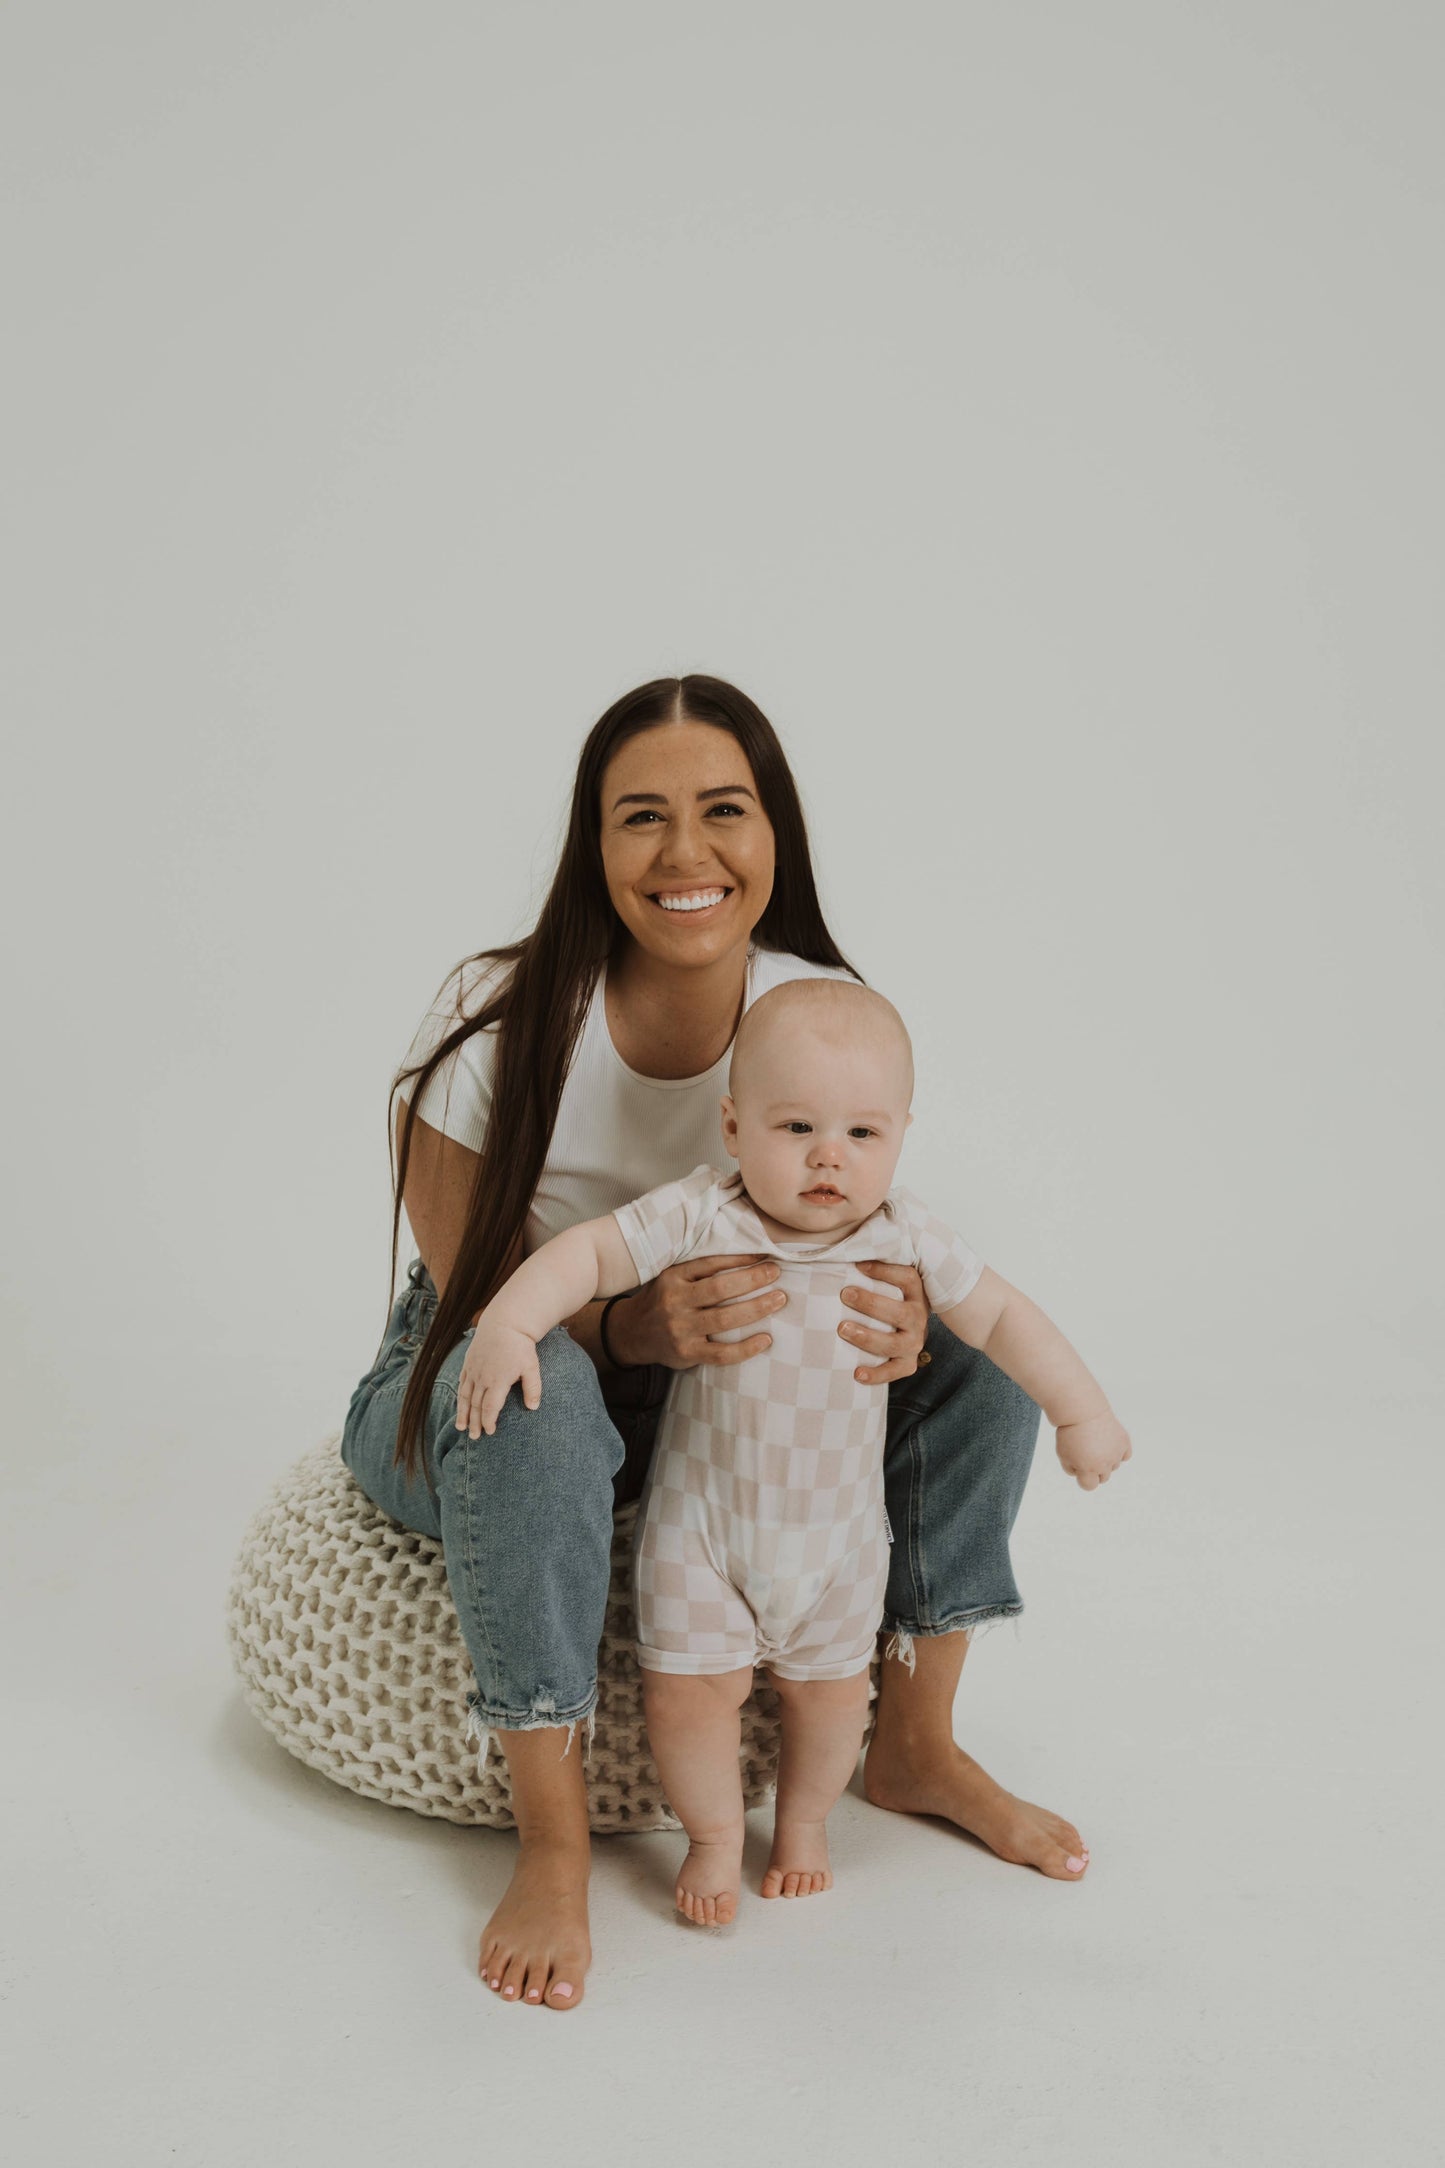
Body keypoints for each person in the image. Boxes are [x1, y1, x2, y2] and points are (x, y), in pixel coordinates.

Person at [340, 672, 1103, 2015]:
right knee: (538, 1395)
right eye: (642, 817)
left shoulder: (807, 1001)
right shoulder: (503, 1011)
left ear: (773, 834)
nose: (685, 854)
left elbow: (871, 1212)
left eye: (722, 812)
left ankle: (914, 1743)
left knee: (978, 1356)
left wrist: (910, 1318)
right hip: (484, 1374)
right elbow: (477, 1316)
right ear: (594, 844)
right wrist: (630, 1325)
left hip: (733, 1407)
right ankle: (556, 1837)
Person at [453, 977, 1131, 1927]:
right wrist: (511, 1324)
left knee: (827, 1702)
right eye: (795, 1128)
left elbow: (1006, 1317)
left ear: (900, 1135)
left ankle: (808, 1826)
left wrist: (1080, 1412)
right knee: (691, 1698)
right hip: (704, 1537)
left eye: (862, 1134)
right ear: (732, 1128)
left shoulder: (909, 1235)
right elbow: (589, 1257)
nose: (828, 1158)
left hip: (840, 1547)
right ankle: (714, 1837)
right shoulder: (704, 1212)